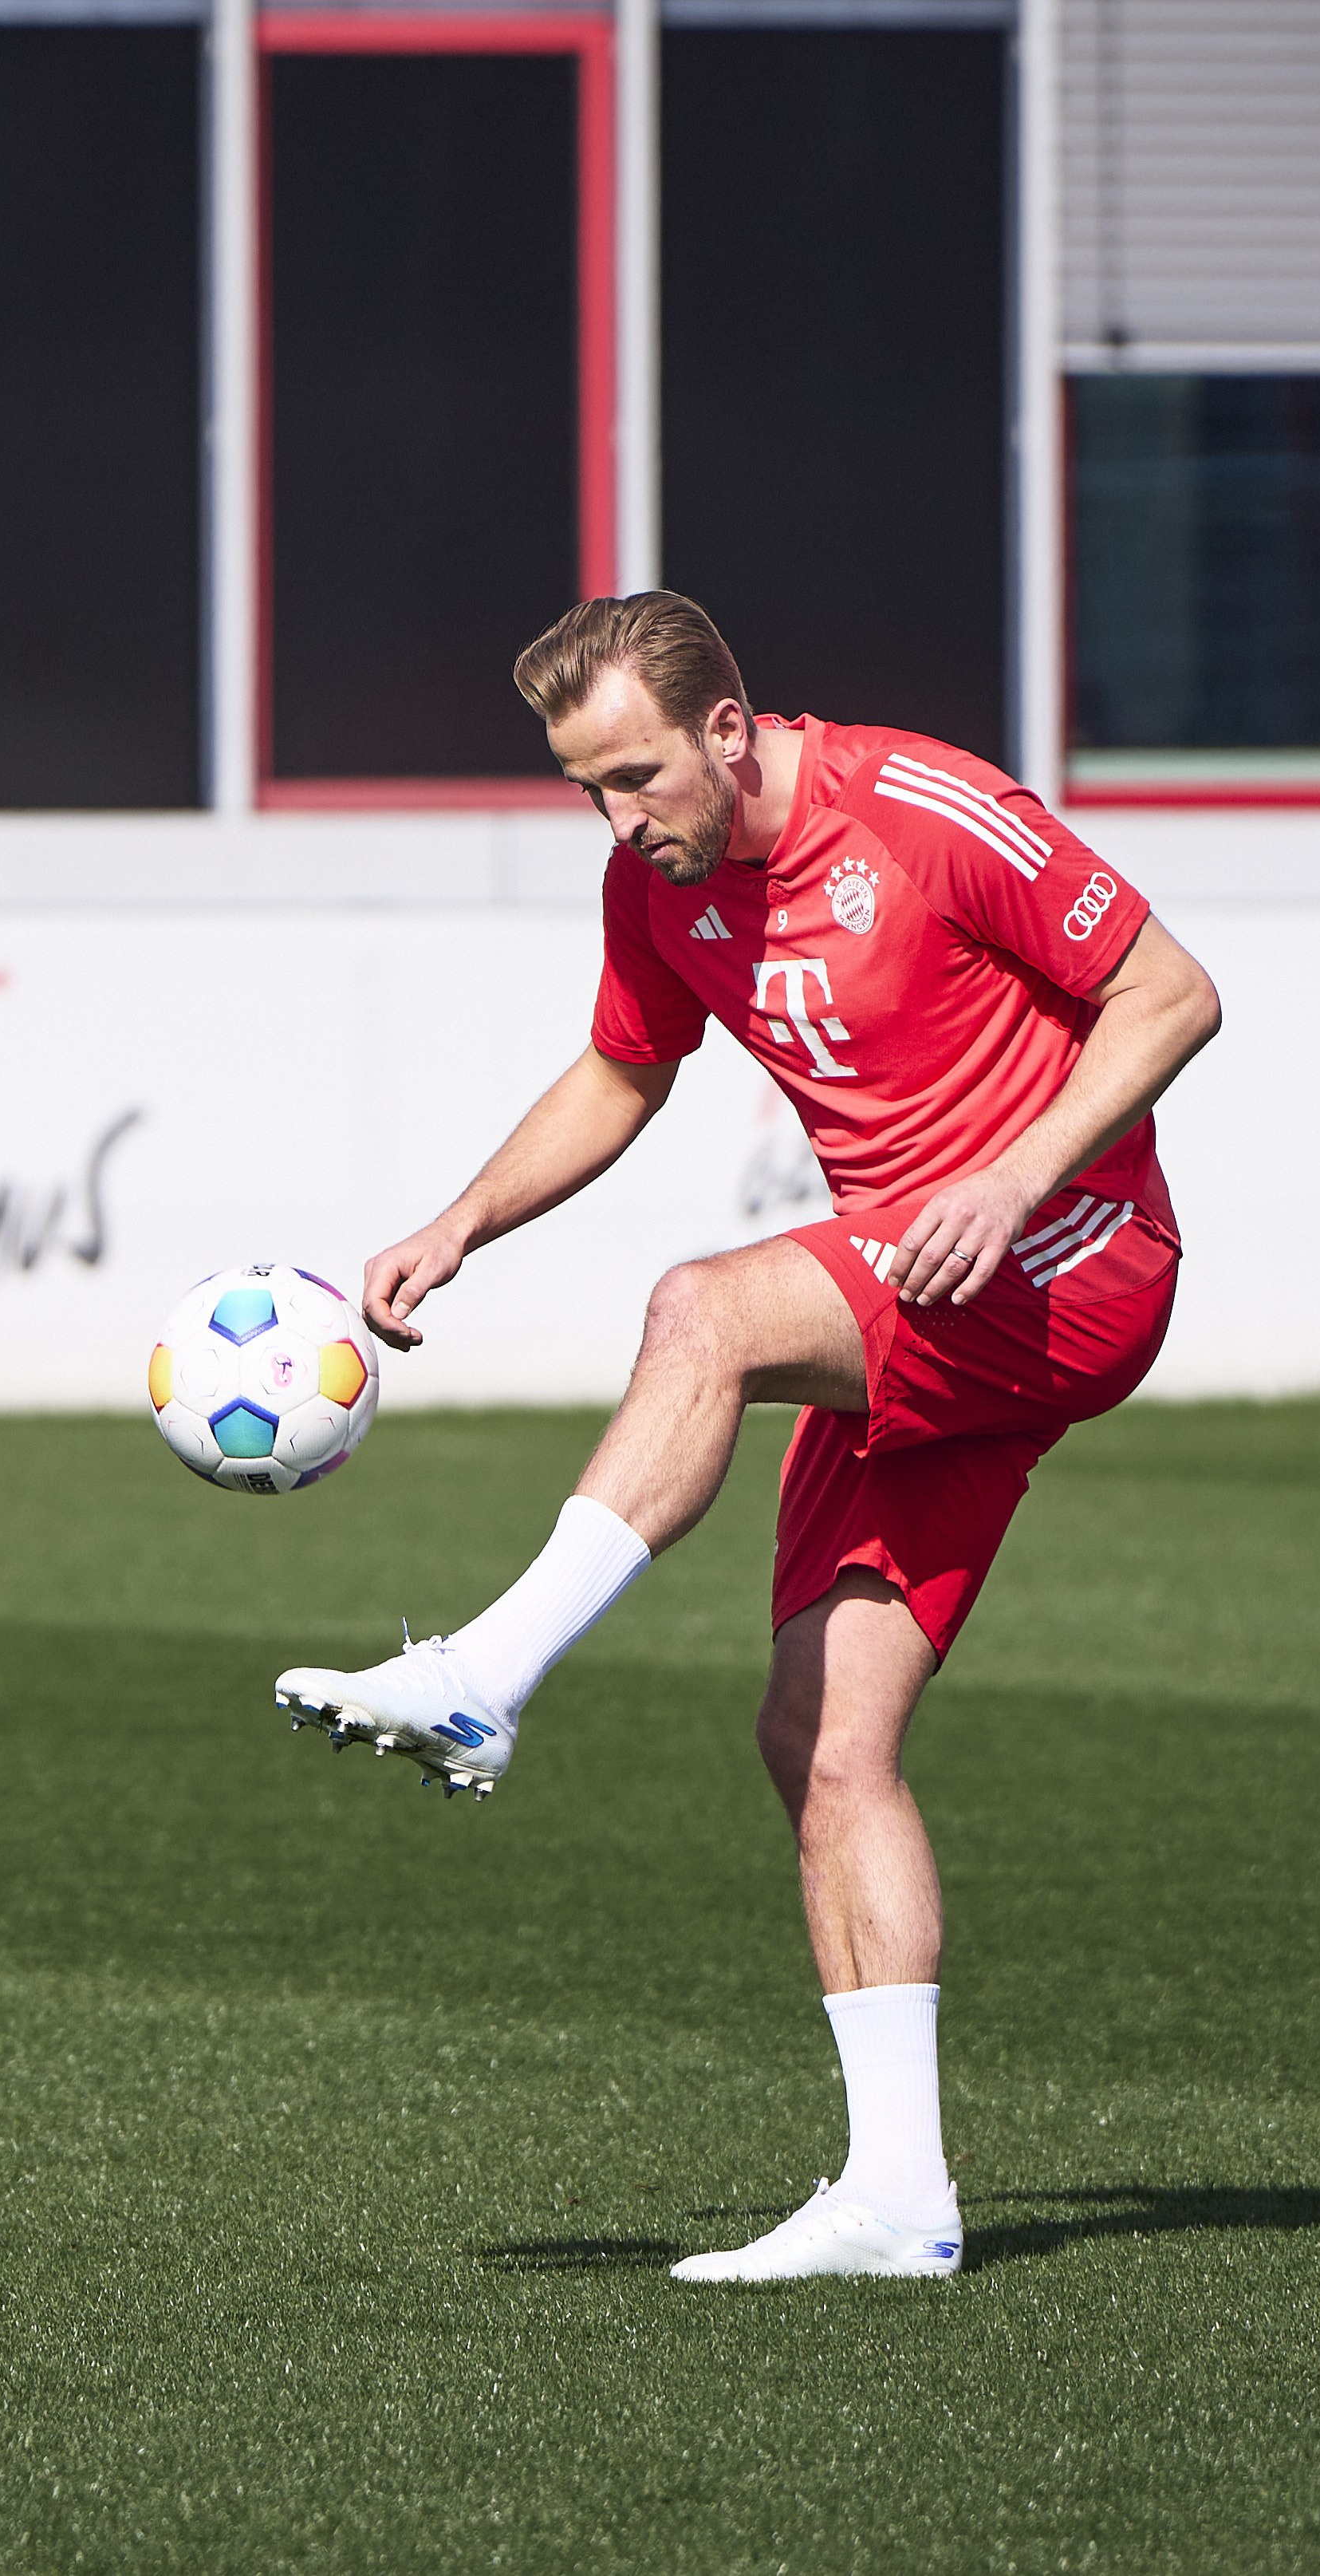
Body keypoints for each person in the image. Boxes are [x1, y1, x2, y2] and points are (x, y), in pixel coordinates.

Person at [269, 591, 1222, 2286]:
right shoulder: (657, 884)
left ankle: (480, 1670)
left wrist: (1013, 1177)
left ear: (728, 727)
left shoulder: (922, 809)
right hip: (923, 1302)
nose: (618, 819)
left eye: (634, 774)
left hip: (1068, 1259)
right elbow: (622, 1073)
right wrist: (458, 1223)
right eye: (583, 790)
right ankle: (898, 2196)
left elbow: (1168, 991)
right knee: (820, 1737)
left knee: (702, 1310)